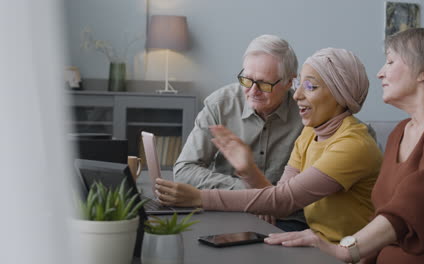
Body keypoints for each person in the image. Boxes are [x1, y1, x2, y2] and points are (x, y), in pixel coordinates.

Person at [264, 28, 424, 263]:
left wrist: (343, 250)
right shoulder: (399, 132)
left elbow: (412, 206)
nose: (380, 73)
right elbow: (382, 218)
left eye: (390, 62)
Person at [156, 47, 383, 243]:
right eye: (299, 84)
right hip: (309, 241)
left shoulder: (353, 144)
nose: (297, 95)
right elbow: (277, 197)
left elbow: (283, 201)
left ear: (339, 95)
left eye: (310, 87)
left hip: (338, 251)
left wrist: (199, 197)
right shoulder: (310, 132)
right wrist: (248, 171)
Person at [173, 34, 303, 190]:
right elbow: (184, 170)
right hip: (226, 207)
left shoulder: (305, 113)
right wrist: (249, 190)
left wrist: (270, 198)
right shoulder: (219, 105)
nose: (253, 91)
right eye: (247, 79)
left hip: (285, 211)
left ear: (289, 82)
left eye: (263, 84)